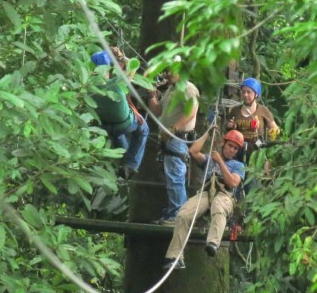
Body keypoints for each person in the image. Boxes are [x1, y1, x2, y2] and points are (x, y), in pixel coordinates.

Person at [162, 129, 246, 270]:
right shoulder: (209, 159)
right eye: (230, 145)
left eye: (235, 148)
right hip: (206, 193)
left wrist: (220, 162)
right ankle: (175, 257)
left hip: (225, 195)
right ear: (224, 144)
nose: (232, 150)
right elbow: (193, 152)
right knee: (184, 214)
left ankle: (213, 243)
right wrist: (207, 133)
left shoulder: (239, 166)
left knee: (219, 207)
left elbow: (232, 183)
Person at [147, 59, 199, 223]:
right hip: (168, 139)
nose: (167, 74)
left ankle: (177, 215)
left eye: (171, 70)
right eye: (166, 71)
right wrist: (151, 95)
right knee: (171, 177)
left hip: (178, 138)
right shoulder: (171, 90)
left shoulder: (188, 88)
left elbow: (191, 111)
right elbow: (158, 111)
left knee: (175, 176)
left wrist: (173, 129)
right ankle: (172, 213)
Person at [89, 50, 149, 180]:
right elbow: (134, 65)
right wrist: (122, 57)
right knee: (143, 129)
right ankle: (130, 165)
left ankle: (124, 164)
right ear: (107, 68)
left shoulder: (88, 87)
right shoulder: (116, 83)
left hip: (105, 127)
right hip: (124, 124)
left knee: (118, 134)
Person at [225, 77, 280, 161]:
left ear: (256, 94)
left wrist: (266, 143)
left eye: (249, 92)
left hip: (256, 146)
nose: (245, 95)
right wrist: (229, 127)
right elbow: (226, 132)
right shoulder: (235, 110)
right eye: (243, 92)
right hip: (237, 147)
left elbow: (275, 130)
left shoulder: (263, 110)